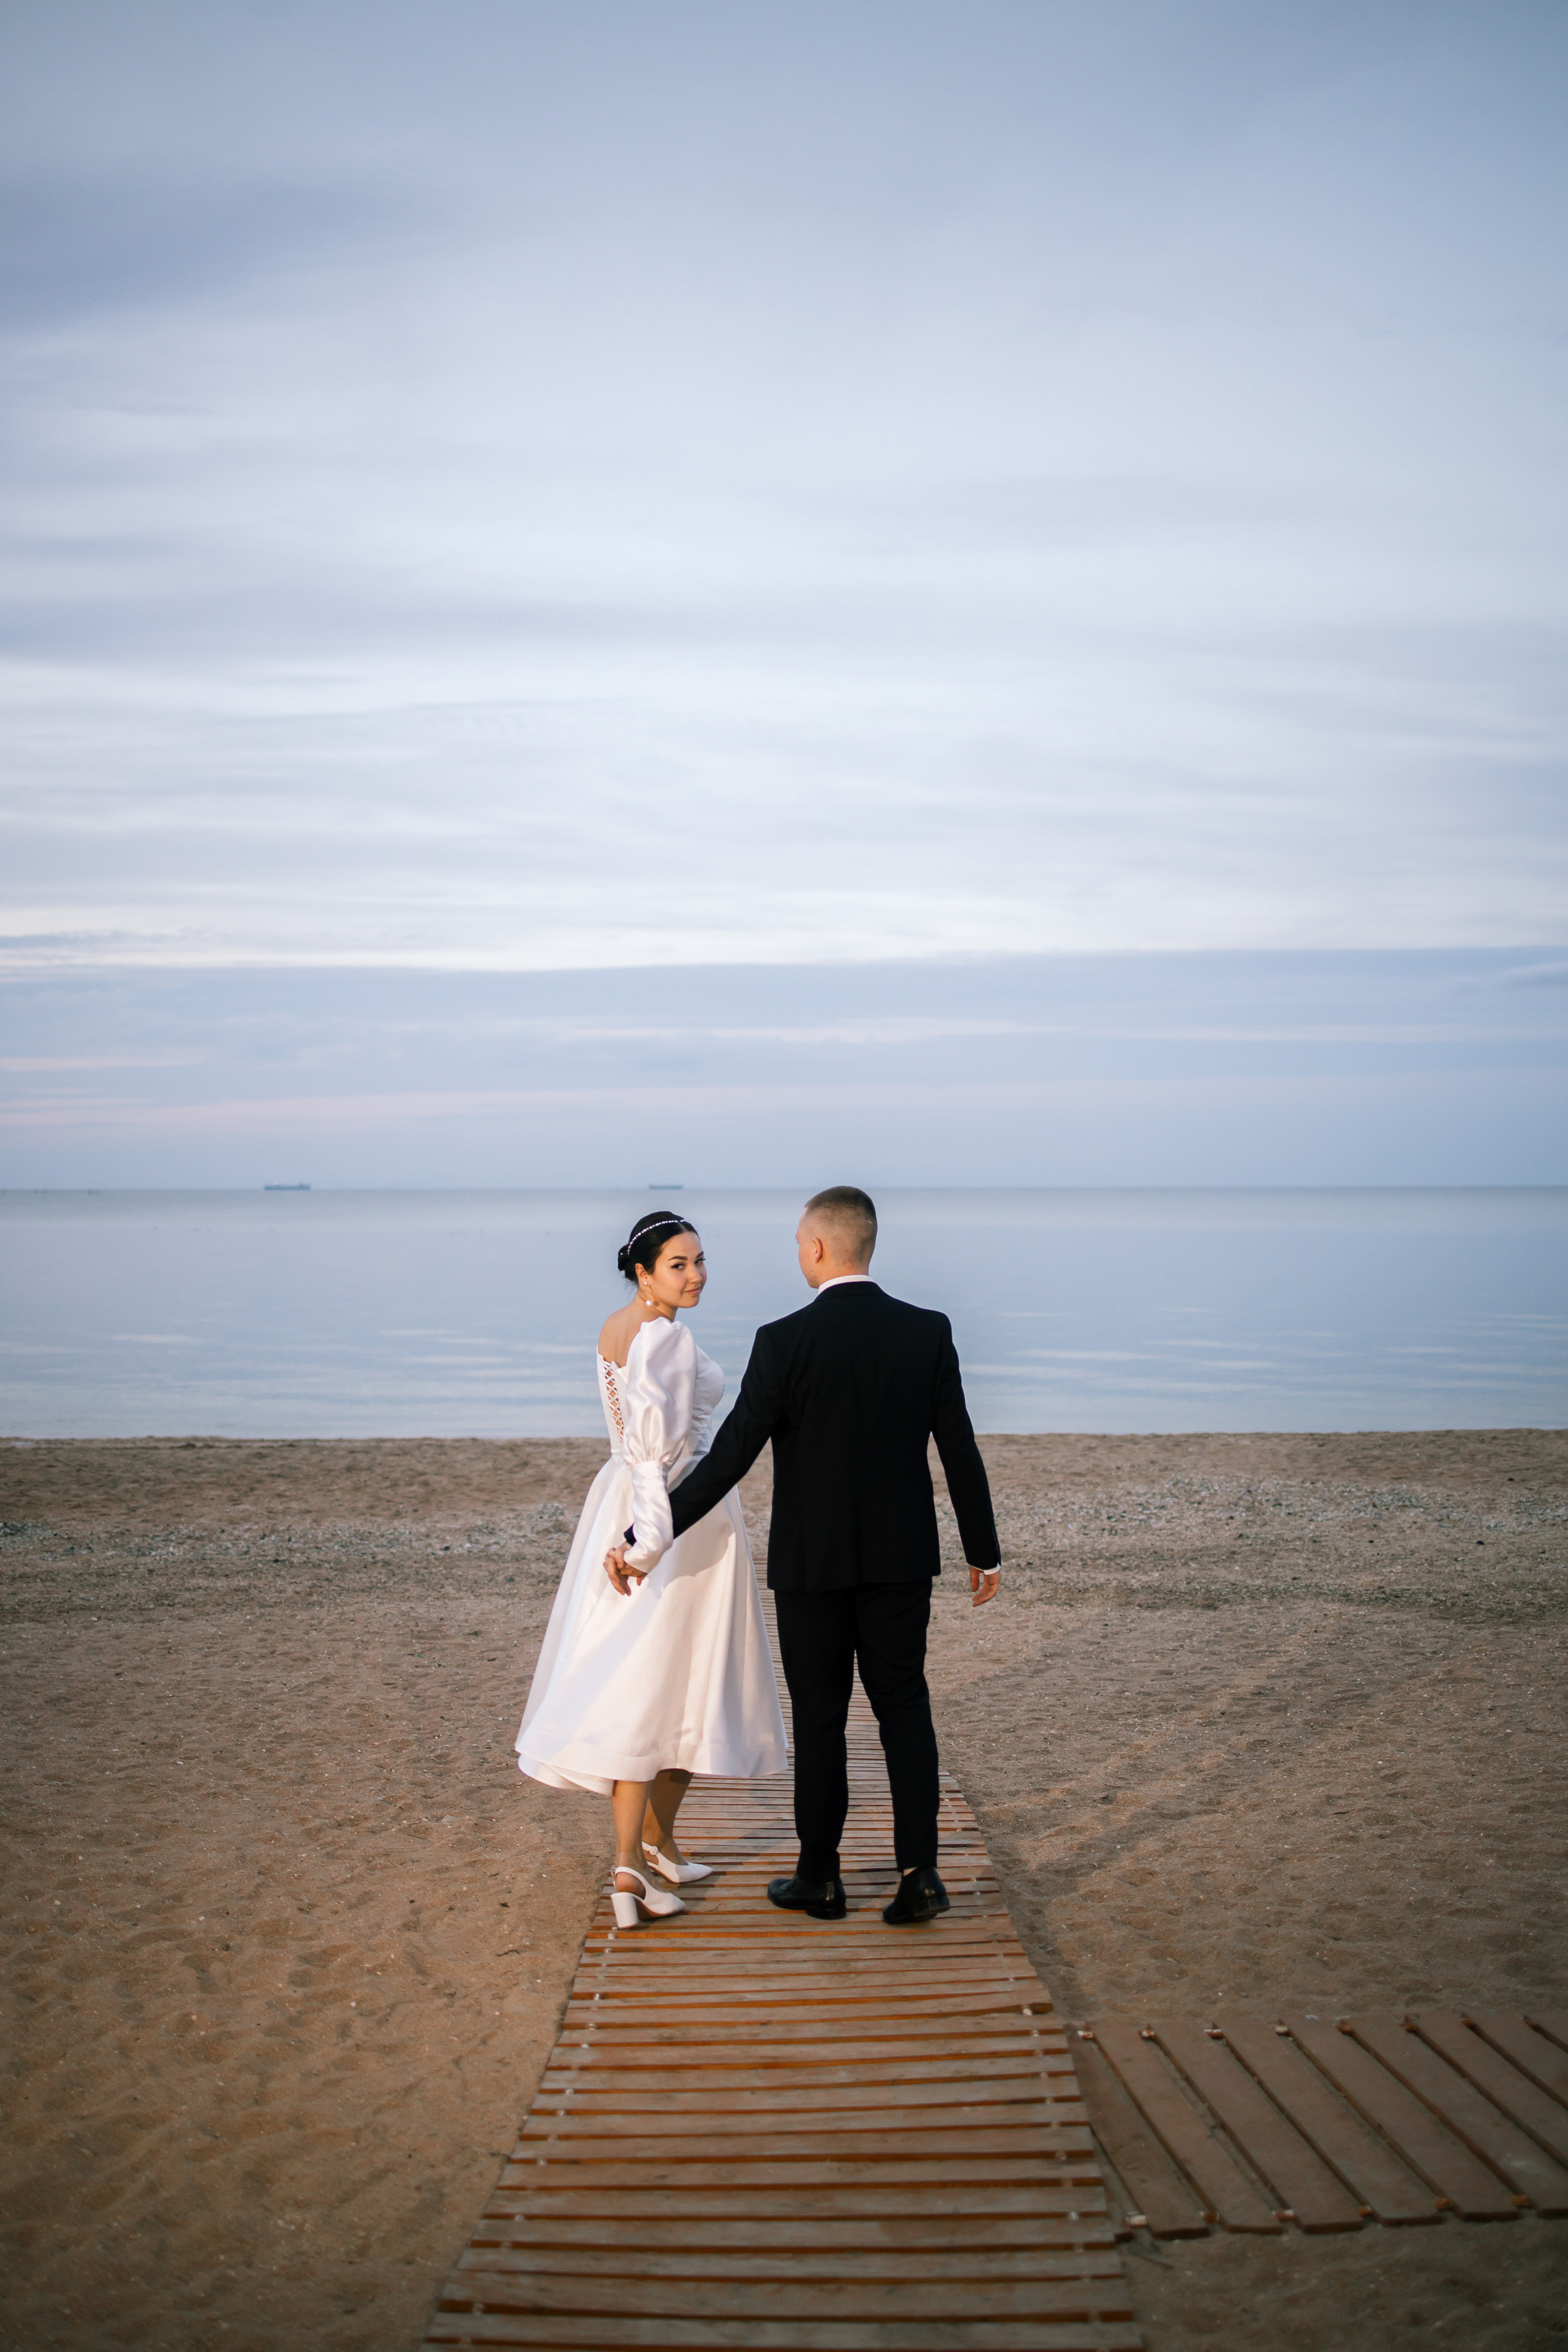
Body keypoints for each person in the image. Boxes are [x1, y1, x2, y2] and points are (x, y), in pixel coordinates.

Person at [608, 1185, 1000, 1926]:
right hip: (900, 1560)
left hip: (811, 1566)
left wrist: (644, 1541)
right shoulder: (927, 1331)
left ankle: (819, 1876)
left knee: (820, 1720)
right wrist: (984, 1551)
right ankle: (920, 1875)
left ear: (818, 1248)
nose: (796, 1253)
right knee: (904, 1711)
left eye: (797, 1243)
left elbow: (727, 1459)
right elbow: (959, 1449)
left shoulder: (783, 1341)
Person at [516, 1210, 786, 1930]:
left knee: (663, 1681)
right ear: (644, 1272)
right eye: (678, 1264)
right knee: (667, 1686)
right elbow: (654, 1454)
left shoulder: (616, 1326)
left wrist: (635, 1527)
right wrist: (646, 1544)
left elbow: (632, 1447)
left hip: (625, 1501)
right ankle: (628, 1870)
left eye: (700, 1262)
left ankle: (659, 1846)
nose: (695, 1276)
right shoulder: (665, 1336)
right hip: (672, 1516)